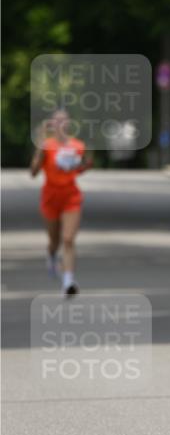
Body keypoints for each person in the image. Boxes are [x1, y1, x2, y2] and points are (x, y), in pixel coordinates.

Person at [30, 109, 93, 296]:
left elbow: (85, 166)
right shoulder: (46, 146)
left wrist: (82, 163)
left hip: (71, 197)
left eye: (64, 120)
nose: (60, 124)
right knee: (54, 241)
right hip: (50, 198)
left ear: (69, 124)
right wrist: (40, 151)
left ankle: (68, 282)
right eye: (56, 121)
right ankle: (50, 255)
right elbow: (33, 172)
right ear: (51, 125)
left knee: (68, 239)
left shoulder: (77, 145)